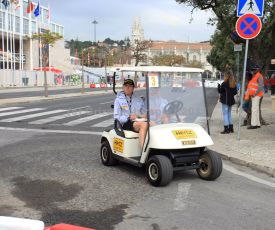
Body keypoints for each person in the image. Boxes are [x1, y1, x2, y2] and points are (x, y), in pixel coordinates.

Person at [114, 79, 147, 148]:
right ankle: (143, 151)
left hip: (138, 120)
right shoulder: (118, 100)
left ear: (133, 88)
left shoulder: (139, 99)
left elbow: (144, 113)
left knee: (153, 123)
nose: (127, 88)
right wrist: (128, 117)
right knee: (144, 125)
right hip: (125, 123)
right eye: (126, 86)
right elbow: (117, 117)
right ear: (123, 87)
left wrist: (140, 116)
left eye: (130, 86)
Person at [244, 65, 264, 129]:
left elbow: (260, 86)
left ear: (258, 69)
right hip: (255, 95)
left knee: (254, 110)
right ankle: (257, 124)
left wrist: (255, 94)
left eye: (255, 69)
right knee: (256, 110)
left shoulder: (259, 76)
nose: (253, 71)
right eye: (253, 69)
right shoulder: (255, 76)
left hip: (256, 95)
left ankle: (253, 124)